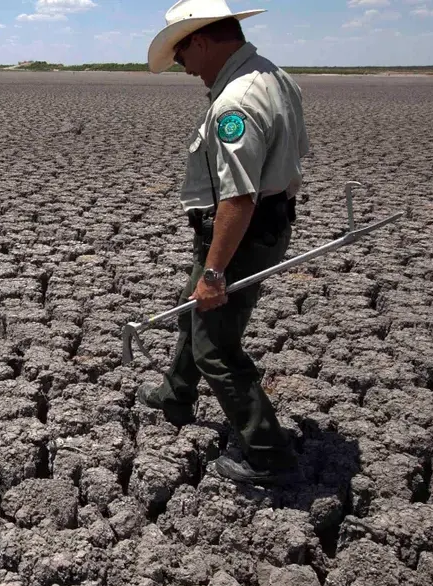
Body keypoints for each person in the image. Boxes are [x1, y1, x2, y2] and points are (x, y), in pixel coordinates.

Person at [137, 0, 310, 486]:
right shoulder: (274, 76)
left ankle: (267, 453)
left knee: (216, 344)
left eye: (180, 53)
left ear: (202, 40)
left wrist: (215, 272)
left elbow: (239, 197)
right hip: (254, 227)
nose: (180, 65)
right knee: (194, 312)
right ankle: (175, 394)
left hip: (240, 234)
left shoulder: (236, 101)